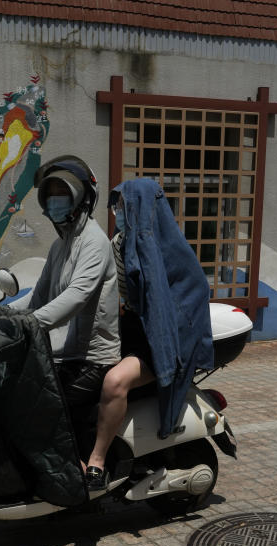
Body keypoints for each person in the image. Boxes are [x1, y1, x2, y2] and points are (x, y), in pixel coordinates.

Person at [86, 178, 214, 488]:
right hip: (129, 336)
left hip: (162, 345)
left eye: (124, 205)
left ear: (142, 209)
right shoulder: (121, 244)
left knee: (114, 382)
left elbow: (170, 314)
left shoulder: (162, 255)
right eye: (116, 206)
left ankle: (97, 460)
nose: (118, 212)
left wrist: (167, 353)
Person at [27, 156, 121, 490]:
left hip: (90, 357)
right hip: (62, 353)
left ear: (81, 198)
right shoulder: (60, 245)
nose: (54, 200)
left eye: (62, 193)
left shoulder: (94, 241)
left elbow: (78, 295)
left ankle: (81, 475)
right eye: (50, 194)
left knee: (47, 408)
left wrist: (31, 323)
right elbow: (39, 295)